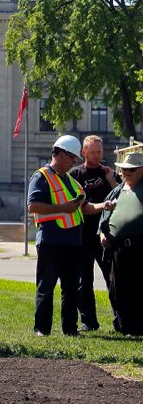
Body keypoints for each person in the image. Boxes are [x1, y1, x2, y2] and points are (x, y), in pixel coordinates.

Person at [27, 134, 115, 337]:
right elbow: (33, 205)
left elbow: (84, 208)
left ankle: (70, 328)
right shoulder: (41, 177)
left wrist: (104, 205)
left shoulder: (72, 181)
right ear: (59, 154)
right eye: (72, 157)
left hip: (73, 243)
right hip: (51, 241)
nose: (75, 161)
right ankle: (42, 329)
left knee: (71, 288)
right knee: (46, 287)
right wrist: (62, 208)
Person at [69, 134, 120, 331]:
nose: (98, 155)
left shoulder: (109, 173)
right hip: (83, 235)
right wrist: (103, 206)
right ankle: (89, 322)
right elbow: (79, 206)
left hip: (106, 235)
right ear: (84, 153)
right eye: (93, 152)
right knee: (84, 281)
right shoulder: (75, 175)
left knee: (112, 278)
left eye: (100, 151)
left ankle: (120, 320)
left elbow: (122, 195)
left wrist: (111, 180)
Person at [98, 151, 143, 335]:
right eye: (124, 169)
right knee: (118, 289)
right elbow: (105, 211)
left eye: (131, 169)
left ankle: (139, 326)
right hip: (118, 248)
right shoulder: (119, 188)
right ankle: (125, 327)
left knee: (138, 288)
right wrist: (102, 232)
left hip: (139, 246)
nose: (126, 173)